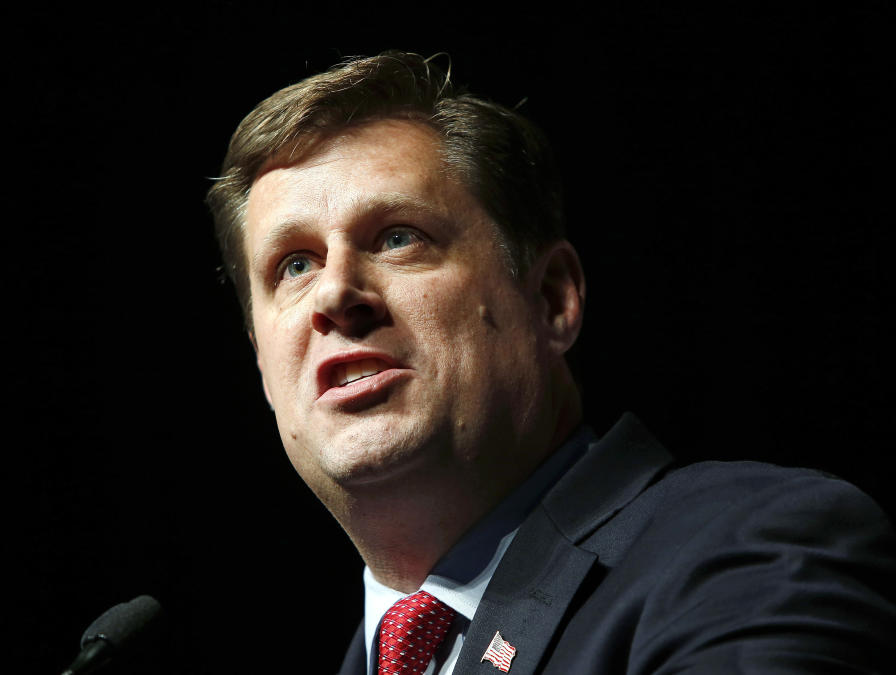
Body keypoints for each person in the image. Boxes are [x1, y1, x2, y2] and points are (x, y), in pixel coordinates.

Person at [206, 51, 895, 674]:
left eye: (397, 237)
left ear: (552, 299)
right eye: (293, 264)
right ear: (262, 362)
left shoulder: (747, 550)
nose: (334, 292)